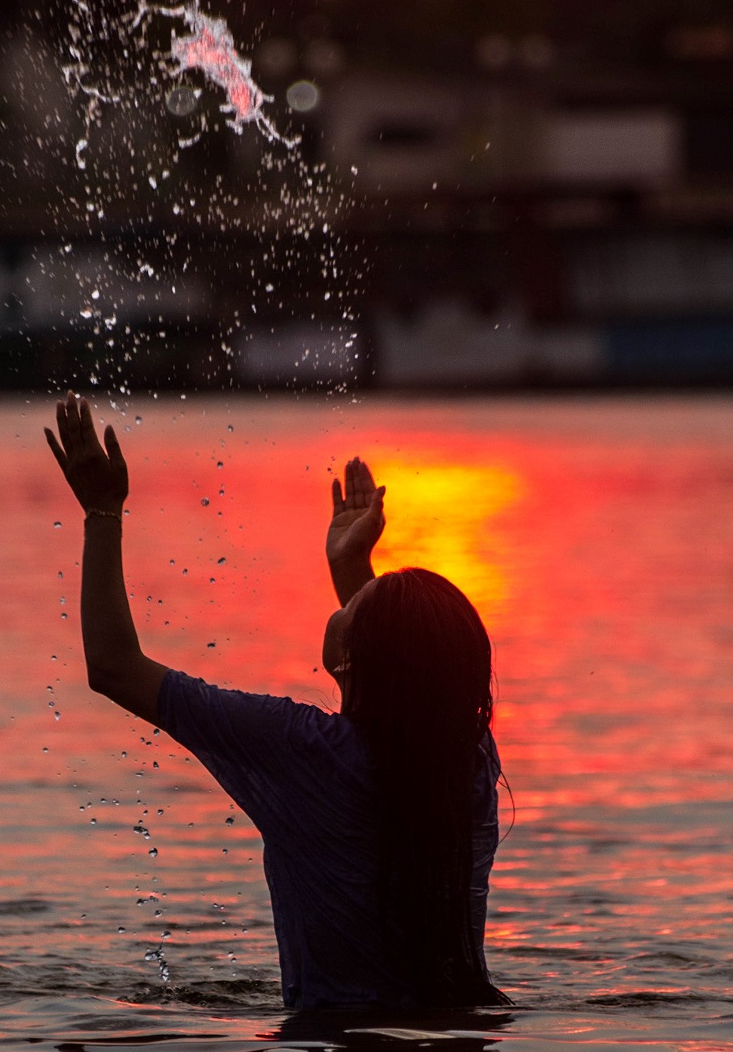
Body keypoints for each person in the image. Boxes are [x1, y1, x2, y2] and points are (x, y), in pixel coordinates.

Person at [45, 391, 509, 1010]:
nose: (341, 604)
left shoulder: (303, 752)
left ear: (355, 660)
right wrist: (353, 568)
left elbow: (112, 666)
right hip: (466, 1032)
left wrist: (102, 512)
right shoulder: (469, 766)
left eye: (352, 607)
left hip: (328, 1051)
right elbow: (411, 683)